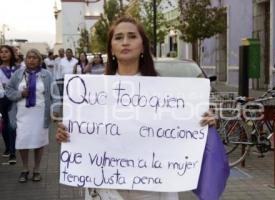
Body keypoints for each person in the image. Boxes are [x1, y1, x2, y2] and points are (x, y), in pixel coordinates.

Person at [56, 16, 228, 200]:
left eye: (132, 36)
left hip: (153, 189)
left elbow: (183, 131)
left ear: (143, 46)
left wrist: (204, 122)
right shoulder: (90, 94)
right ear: (111, 48)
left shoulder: (167, 93)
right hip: (106, 187)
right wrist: (67, 134)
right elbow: (85, 135)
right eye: (119, 37)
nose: (125, 42)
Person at [6, 49, 60, 183]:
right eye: (29, 57)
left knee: (38, 142)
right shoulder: (18, 74)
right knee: (22, 141)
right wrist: (20, 94)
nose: (31, 60)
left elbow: (55, 93)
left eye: (35, 58)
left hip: (40, 113)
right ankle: (25, 169)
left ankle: (36, 170)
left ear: (39, 60)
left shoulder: (46, 75)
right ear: (25, 60)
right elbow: (9, 90)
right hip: (22, 114)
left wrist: (55, 110)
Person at [0, 45, 18, 164]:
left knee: (12, 125)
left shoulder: (18, 68)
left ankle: (12, 152)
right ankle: (8, 147)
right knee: (5, 124)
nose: (3, 54)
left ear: (11, 53)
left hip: (15, 99)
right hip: (2, 99)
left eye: (6, 52)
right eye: (1, 52)